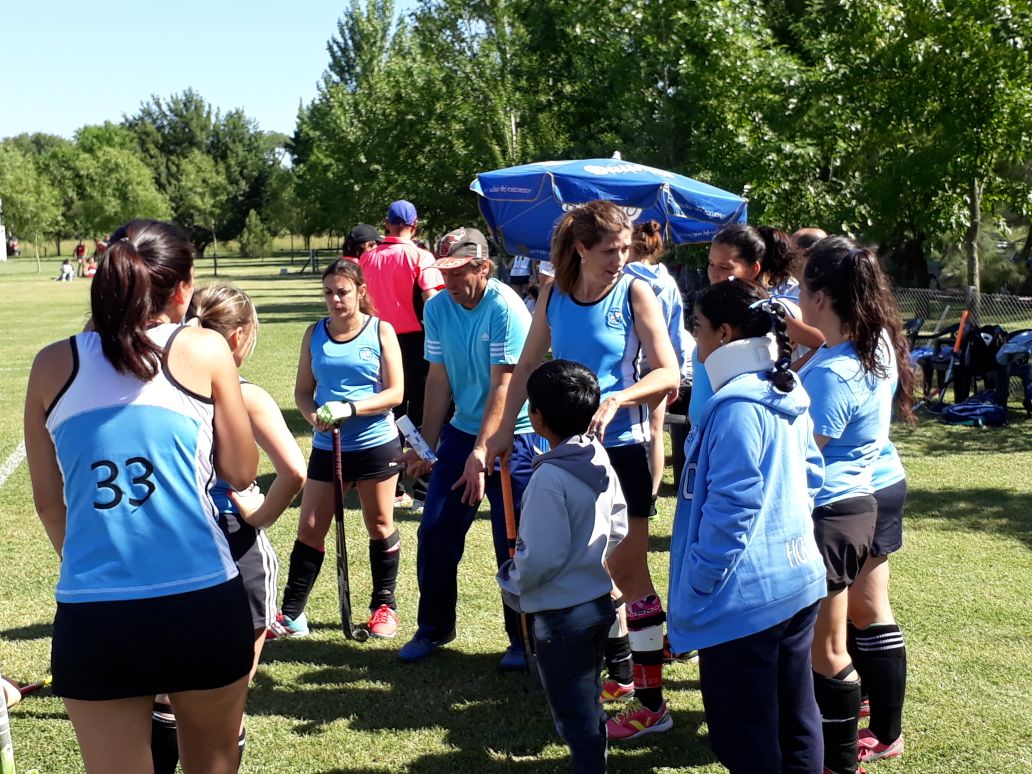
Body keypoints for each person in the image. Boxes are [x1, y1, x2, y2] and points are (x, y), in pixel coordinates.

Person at [24, 219, 259, 773]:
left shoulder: (51, 364)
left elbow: (48, 502)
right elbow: (241, 470)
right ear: (184, 287)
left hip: (94, 610)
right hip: (202, 597)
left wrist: (96, 562)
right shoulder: (204, 348)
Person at [487, 201, 680, 741]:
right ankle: (617, 672)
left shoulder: (636, 291)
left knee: (628, 573)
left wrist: (619, 398)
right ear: (580, 249)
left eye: (625, 248)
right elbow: (528, 365)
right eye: (610, 250)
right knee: (586, 568)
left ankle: (652, 704)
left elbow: (668, 372)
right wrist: (501, 432)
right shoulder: (553, 293)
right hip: (566, 453)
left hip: (623, 449)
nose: (621, 259)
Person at [668, 279, 826, 773]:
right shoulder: (785, 388)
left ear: (725, 333)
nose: (694, 339)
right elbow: (812, 476)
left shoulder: (736, 406)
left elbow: (733, 508)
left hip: (743, 599)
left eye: (698, 327)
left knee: (746, 738)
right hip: (797, 579)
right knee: (796, 720)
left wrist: (700, 580)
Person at [151, 284, 308, 772]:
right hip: (236, 546)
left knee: (166, 689)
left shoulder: (159, 390)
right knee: (228, 698)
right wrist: (260, 516)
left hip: (173, 543)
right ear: (239, 336)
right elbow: (294, 471)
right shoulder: (246, 395)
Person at [797, 236, 914, 774]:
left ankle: (842, 754)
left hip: (835, 508)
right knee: (866, 615)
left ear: (821, 297)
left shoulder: (833, 372)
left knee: (828, 648)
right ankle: (881, 733)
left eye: (802, 289)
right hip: (870, 494)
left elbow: (804, 455)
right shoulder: (876, 341)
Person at [396, 226, 538, 668]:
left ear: (484, 267)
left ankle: (523, 639)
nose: (450, 282)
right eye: (445, 272)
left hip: (514, 435)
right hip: (461, 433)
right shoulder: (437, 307)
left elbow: (503, 386)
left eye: (459, 272)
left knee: (512, 542)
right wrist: (426, 443)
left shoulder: (506, 307)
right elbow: (438, 380)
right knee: (435, 530)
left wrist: (483, 451)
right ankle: (434, 627)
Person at [497, 359, 628, 773]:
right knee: (588, 698)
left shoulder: (548, 478)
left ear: (536, 417)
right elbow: (619, 524)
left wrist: (514, 578)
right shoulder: (598, 456)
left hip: (560, 616)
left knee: (574, 712)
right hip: (598, 602)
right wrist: (590, 559)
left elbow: (542, 556)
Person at [274, 259, 405, 640]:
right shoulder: (314, 333)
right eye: (328, 292)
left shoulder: (380, 331)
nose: (335, 300)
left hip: (375, 444)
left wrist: (352, 408)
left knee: (378, 524)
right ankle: (292, 614)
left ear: (360, 292)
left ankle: (384, 607)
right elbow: (303, 391)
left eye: (343, 292)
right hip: (328, 445)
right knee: (310, 527)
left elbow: (395, 393)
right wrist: (313, 415)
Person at [689, 224, 825, 427]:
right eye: (711, 264)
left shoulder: (766, 309)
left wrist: (783, 374)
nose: (714, 274)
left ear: (754, 269)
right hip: (702, 429)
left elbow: (823, 344)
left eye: (724, 267)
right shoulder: (709, 304)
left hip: (737, 425)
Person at [360, 200, 444, 508]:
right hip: (415, 344)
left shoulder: (367, 258)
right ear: (415, 224)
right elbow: (433, 301)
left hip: (376, 340)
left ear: (387, 224)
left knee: (386, 411)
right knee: (424, 414)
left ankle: (391, 487)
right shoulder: (421, 256)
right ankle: (422, 487)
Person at [624, 219, 692, 507]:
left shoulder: (624, 279)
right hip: (660, 366)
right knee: (655, 430)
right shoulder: (669, 282)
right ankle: (651, 495)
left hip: (629, 361)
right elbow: (678, 331)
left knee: (626, 430)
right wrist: (678, 371)